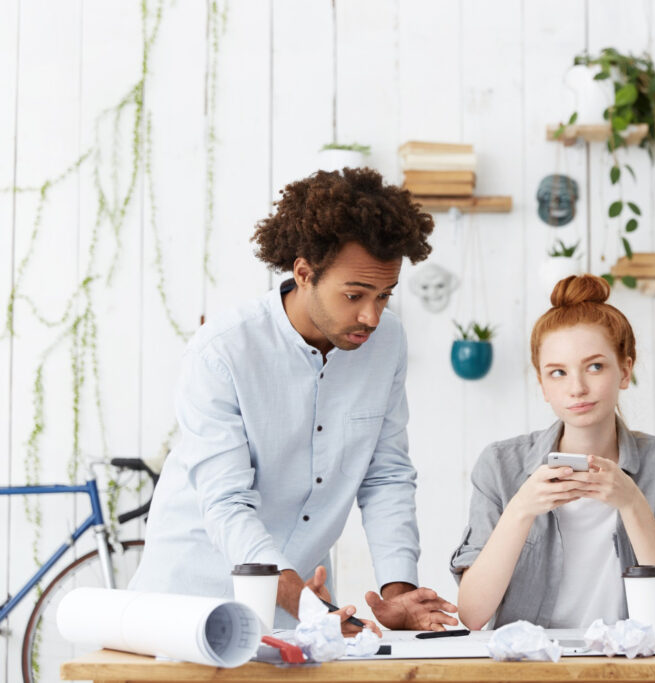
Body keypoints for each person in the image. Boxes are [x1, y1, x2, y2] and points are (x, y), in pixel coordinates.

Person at [130, 168, 458, 633]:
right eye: (354, 295)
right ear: (304, 273)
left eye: (384, 295)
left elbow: (385, 475)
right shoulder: (223, 351)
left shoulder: (387, 344)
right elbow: (226, 505)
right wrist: (307, 607)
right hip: (190, 602)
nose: (371, 315)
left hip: (299, 611)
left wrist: (400, 594)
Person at [450, 274, 655, 630]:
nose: (577, 388)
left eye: (595, 366)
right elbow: (473, 614)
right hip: (532, 666)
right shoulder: (499, 465)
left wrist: (631, 502)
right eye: (558, 373)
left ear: (625, 370)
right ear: (542, 385)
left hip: (632, 665)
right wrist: (521, 508)